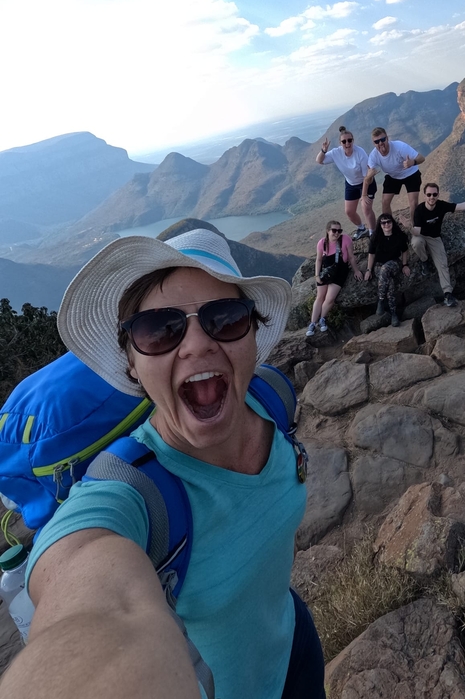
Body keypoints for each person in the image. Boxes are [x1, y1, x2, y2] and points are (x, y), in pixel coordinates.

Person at [1, 229, 325, 699]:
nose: (196, 345)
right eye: (159, 329)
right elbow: (94, 597)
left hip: (295, 645)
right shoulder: (129, 492)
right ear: (130, 361)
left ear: (254, 334)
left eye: (226, 318)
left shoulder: (272, 398)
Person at [404, 182, 465, 307]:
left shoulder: (442, 205)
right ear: (425, 195)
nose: (431, 197)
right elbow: (417, 231)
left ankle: (447, 294)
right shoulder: (420, 210)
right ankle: (424, 261)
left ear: (438, 195)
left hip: (435, 238)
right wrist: (409, 227)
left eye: (434, 194)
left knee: (442, 264)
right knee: (416, 242)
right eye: (429, 194)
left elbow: (461, 206)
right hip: (421, 235)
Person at [317, 126, 376, 240]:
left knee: (366, 207)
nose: (347, 143)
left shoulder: (360, 153)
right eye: (344, 141)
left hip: (367, 182)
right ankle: (361, 228)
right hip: (351, 184)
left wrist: (363, 195)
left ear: (353, 140)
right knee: (349, 212)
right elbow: (319, 161)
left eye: (349, 140)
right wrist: (323, 150)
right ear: (340, 143)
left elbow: (366, 177)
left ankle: (373, 233)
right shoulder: (336, 153)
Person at [307, 220, 363, 336]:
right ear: (328, 231)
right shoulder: (322, 243)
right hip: (326, 272)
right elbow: (318, 260)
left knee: (330, 298)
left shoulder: (345, 239)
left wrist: (356, 270)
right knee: (320, 297)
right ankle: (312, 323)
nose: (337, 233)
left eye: (339, 230)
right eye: (334, 230)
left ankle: (322, 319)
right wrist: (317, 275)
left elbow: (351, 257)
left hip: (340, 272)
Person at [362, 127, 425, 217]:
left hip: (411, 173)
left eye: (383, 139)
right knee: (385, 202)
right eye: (377, 141)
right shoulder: (373, 156)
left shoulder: (400, 147)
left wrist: (413, 162)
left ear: (387, 138)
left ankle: (414, 227)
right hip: (393, 176)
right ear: (374, 143)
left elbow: (422, 158)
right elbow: (367, 179)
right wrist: (369, 178)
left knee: (414, 203)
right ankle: (389, 226)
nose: (380, 143)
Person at [363, 213, 410, 327]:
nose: (386, 224)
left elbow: (404, 251)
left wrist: (404, 265)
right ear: (380, 225)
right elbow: (371, 254)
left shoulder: (399, 236)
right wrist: (369, 270)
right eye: (383, 223)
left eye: (388, 222)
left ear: (392, 223)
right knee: (390, 283)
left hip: (394, 264)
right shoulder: (376, 237)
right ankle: (394, 314)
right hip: (379, 266)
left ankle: (380, 300)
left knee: (386, 268)